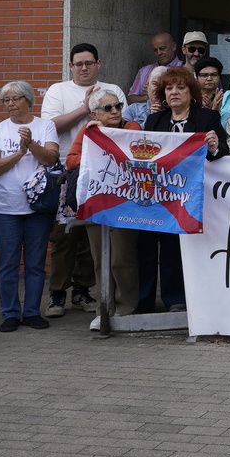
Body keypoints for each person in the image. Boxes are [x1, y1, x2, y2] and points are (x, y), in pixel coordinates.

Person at [141, 67, 227, 313]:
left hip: (189, 196)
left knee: (172, 249)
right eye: (169, 88)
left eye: (180, 87)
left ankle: (175, 299)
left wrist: (213, 146)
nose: (174, 92)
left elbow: (223, 151)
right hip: (156, 195)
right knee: (145, 245)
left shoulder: (207, 118)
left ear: (191, 92)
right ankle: (143, 301)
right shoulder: (154, 121)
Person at [40, 43, 114, 317]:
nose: (84, 68)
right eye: (78, 64)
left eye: (89, 63)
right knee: (64, 237)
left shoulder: (112, 90)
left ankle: (82, 291)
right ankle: (57, 295)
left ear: (98, 64)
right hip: (67, 171)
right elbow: (50, 126)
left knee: (89, 236)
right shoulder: (58, 91)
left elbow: (121, 123)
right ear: (71, 66)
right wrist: (86, 109)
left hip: (103, 173)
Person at [0, 80, 61, 333]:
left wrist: (32, 145)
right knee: (7, 262)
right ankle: (10, 313)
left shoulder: (45, 125)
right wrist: (19, 152)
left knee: (36, 262)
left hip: (37, 208)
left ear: (29, 100)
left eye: (15, 98)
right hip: (5, 208)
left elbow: (51, 158)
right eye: (6, 100)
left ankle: (31, 312)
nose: (10, 104)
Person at [66, 86, 141, 318]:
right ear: (94, 114)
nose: (115, 111)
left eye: (118, 105)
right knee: (100, 259)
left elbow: (135, 156)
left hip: (124, 203)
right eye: (107, 108)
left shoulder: (131, 127)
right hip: (96, 201)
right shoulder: (88, 132)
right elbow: (71, 161)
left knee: (122, 257)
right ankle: (105, 308)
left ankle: (126, 307)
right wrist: (95, 142)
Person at [128, 31, 181, 102]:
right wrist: (149, 96)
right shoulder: (144, 71)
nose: (159, 53)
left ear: (174, 46)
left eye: (162, 48)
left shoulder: (184, 69)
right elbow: (130, 99)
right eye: (155, 50)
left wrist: (158, 93)